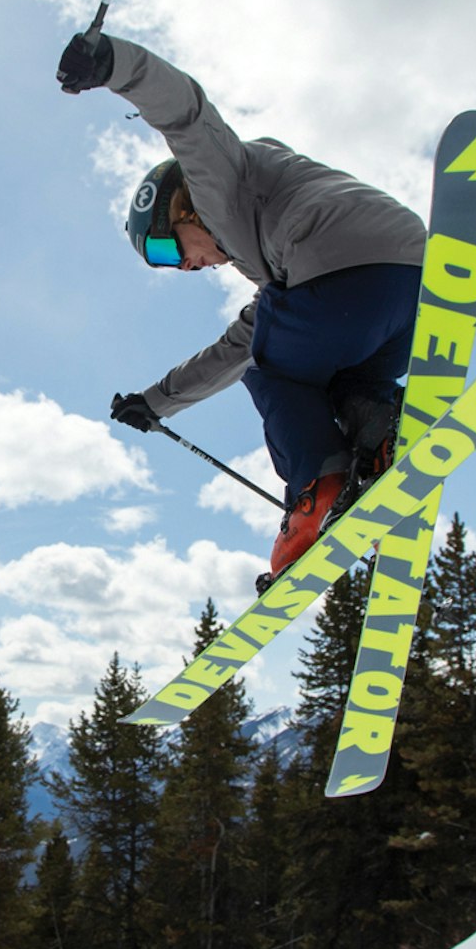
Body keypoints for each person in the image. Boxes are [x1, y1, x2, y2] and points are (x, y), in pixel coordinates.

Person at [58, 31, 426, 582]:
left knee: (269, 368)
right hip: (408, 286)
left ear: (182, 208)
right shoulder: (266, 241)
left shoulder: (219, 184)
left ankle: (318, 488)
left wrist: (112, 63)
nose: (184, 267)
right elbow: (239, 343)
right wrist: (157, 402)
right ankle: (378, 439)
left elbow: (185, 115)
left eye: (167, 249)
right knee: (334, 379)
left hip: (338, 267)